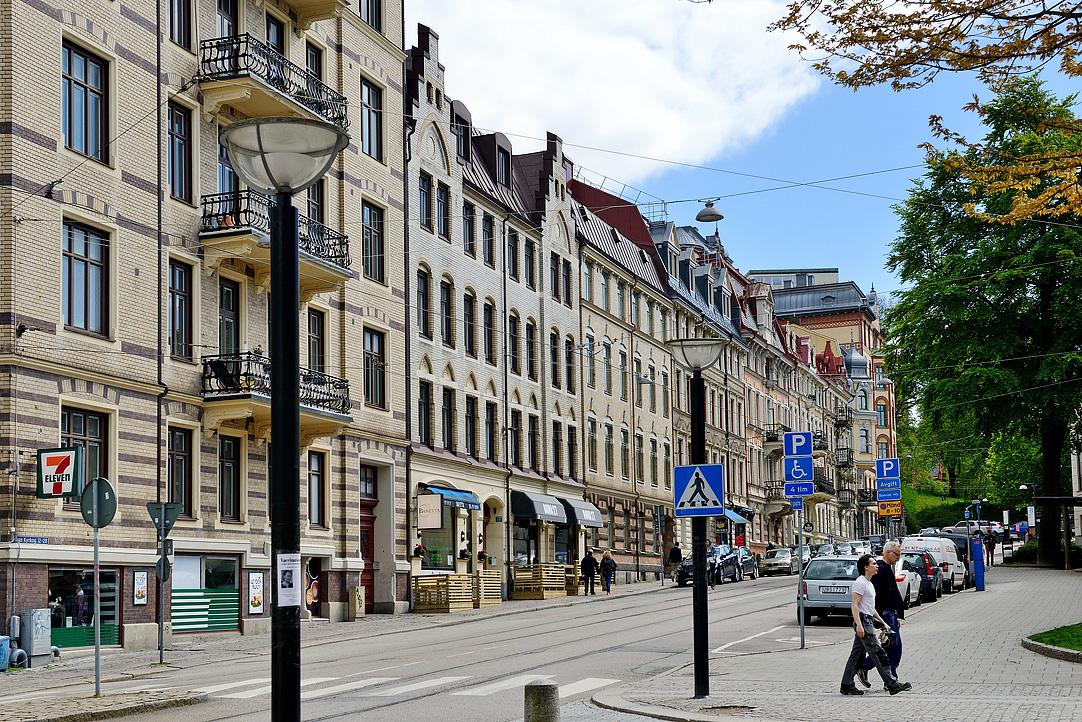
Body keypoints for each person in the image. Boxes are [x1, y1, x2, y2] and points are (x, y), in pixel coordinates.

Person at [840, 554, 912, 696]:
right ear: (866, 567)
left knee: (856, 656)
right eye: (873, 564)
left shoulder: (869, 583)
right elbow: (855, 605)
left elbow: (870, 608)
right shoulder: (860, 583)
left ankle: (846, 684)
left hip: (867, 620)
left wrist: (883, 623)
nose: (877, 565)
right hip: (863, 622)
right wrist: (859, 625)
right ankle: (892, 684)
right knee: (879, 653)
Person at [858, 541, 905, 688]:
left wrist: (897, 613)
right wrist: (879, 618)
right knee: (892, 646)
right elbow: (875, 596)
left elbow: (892, 592)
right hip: (884, 613)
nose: (898, 558)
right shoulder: (880, 569)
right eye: (896, 554)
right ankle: (884, 676)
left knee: (891, 646)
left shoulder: (887, 569)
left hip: (890, 613)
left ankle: (889, 678)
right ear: (887, 552)